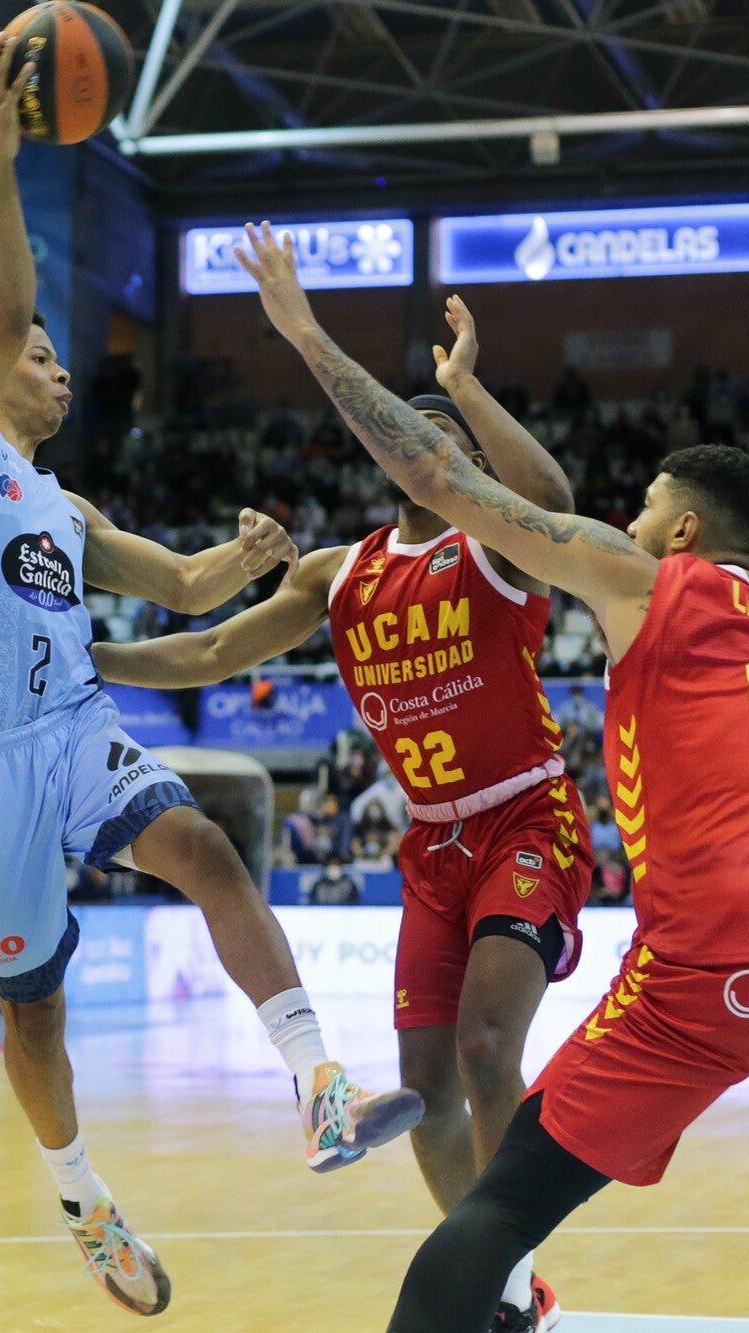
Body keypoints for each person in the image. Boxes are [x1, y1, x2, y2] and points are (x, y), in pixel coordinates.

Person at [233, 224, 749, 1333]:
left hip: (710, 966)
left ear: (680, 530)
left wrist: (305, 330)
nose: (628, 517)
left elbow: (433, 475)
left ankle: (495, 1298)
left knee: (490, 1216)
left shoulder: (639, 581)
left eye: (645, 504)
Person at [0, 46, 421, 1319]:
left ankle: (316, 1081)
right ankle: (80, 1194)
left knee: (208, 850)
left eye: (61, 357)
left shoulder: (61, 505)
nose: (61, 371)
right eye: (43, 356)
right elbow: (2, 319)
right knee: (34, 1014)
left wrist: (241, 557)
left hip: (72, 731)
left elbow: (181, 592)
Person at [93, 294, 590, 1330]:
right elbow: (210, 651)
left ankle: (505, 1272)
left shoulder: (494, 544)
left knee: (488, 1048)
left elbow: (548, 491)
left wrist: (461, 391)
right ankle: (508, 1280)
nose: (423, 451)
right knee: (421, 1089)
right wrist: (82, 660)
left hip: (524, 820)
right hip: (431, 841)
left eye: (441, 440)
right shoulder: (339, 572)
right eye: (407, 435)